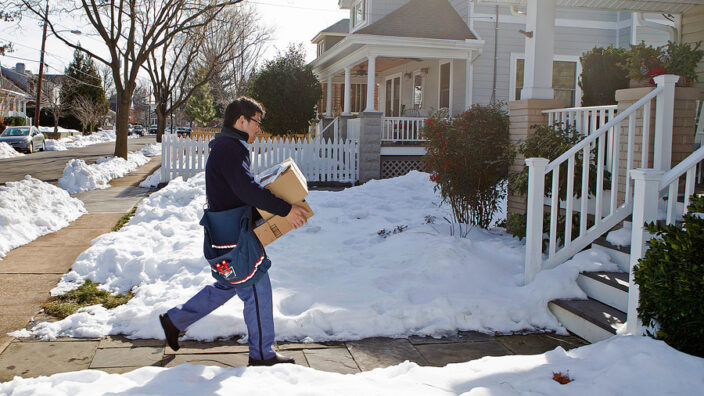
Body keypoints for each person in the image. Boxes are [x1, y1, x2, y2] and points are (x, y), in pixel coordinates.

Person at [159, 97, 309, 366]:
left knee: (228, 284)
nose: (258, 129)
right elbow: (246, 190)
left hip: (226, 231)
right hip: (233, 235)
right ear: (241, 120)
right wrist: (285, 210)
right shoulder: (230, 148)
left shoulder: (228, 146)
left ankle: (175, 320)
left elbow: (240, 189)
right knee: (256, 285)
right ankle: (262, 354)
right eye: (256, 122)